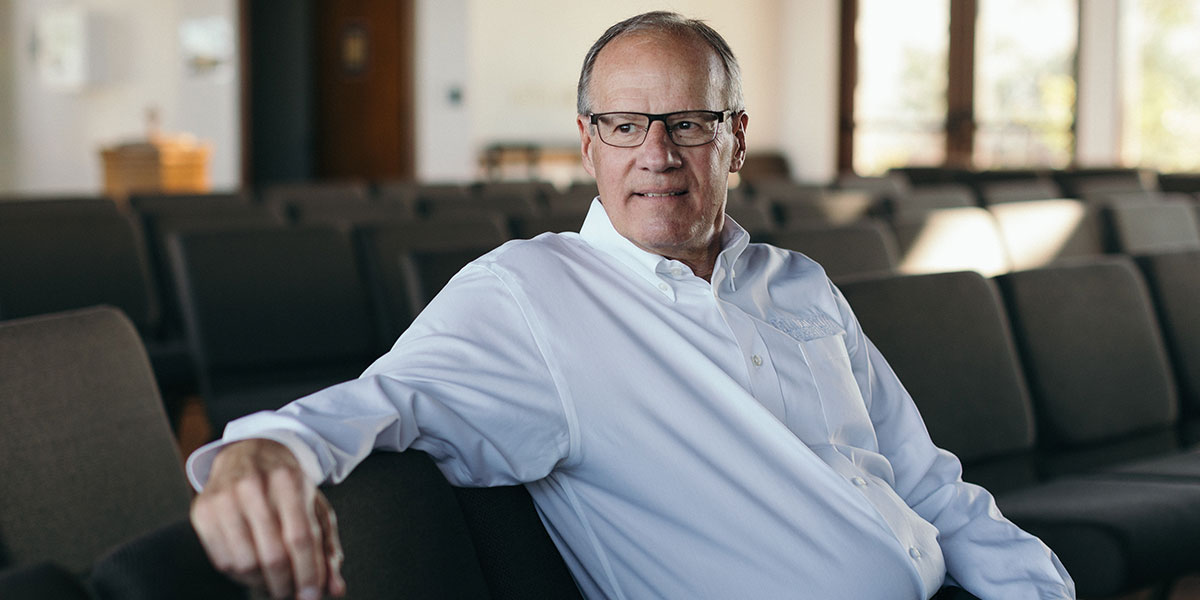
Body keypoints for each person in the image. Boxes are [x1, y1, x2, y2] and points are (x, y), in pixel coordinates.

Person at [188, 11, 1076, 600]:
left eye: (690, 122)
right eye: (624, 125)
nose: (657, 152)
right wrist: (262, 450)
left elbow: (925, 481)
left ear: (735, 140)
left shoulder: (796, 281)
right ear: (588, 143)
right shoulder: (532, 296)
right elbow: (384, 399)